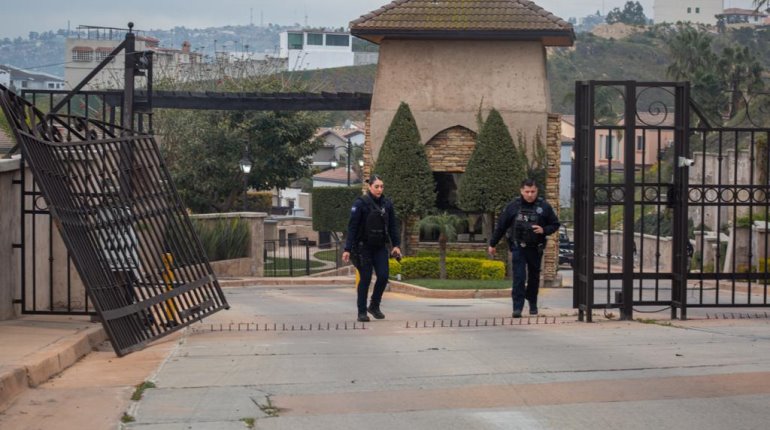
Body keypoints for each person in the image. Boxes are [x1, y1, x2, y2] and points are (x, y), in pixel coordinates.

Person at [488, 178, 560, 317]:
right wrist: (492, 244)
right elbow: (501, 226)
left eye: (533, 191)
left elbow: (555, 224)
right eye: (527, 191)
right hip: (518, 247)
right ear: (522, 191)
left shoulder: (544, 206)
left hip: (535, 248)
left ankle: (532, 302)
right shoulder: (513, 206)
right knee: (519, 277)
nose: (530, 194)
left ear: (536, 191)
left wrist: (544, 230)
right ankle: (517, 307)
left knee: (534, 278)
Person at [342, 174, 401, 322]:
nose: (379, 189)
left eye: (381, 186)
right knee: (366, 278)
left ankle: (374, 306)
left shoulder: (387, 204)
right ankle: (362, 312)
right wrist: (347, 249)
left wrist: (396, 245)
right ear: (370, 187)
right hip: (363, 247)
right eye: (376, 186)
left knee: (383, 276)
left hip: (380, 247)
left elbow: (393, 226)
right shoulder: (361, 203)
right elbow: (352, 227)